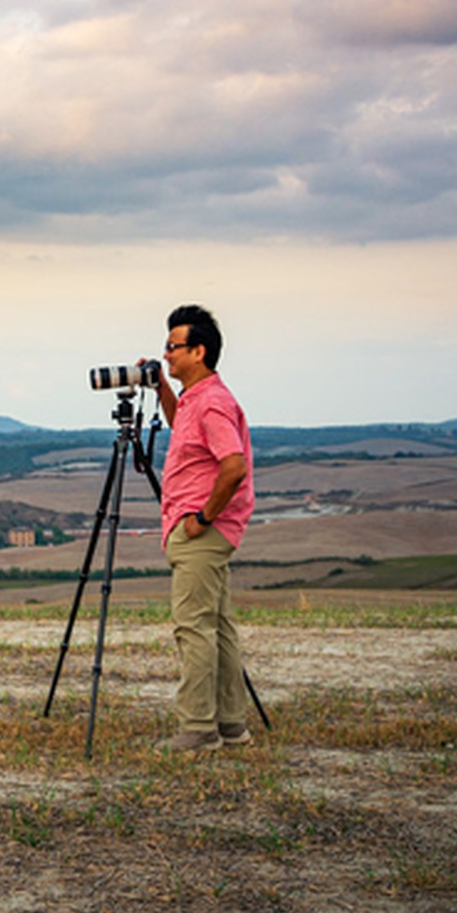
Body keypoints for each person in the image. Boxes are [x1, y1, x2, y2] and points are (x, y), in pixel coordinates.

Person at [149, 305, 256, 755]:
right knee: (219, 627)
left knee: (192, 628)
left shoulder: (212, 402)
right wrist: (159, 387)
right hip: (208, 531)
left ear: (199, 350)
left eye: (174, 348)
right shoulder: (197, 398)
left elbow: (233, 466)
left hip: (202, 531)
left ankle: (197, 729)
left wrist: (203, 518)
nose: (167, 355)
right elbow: (181, 428)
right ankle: (231, 725)